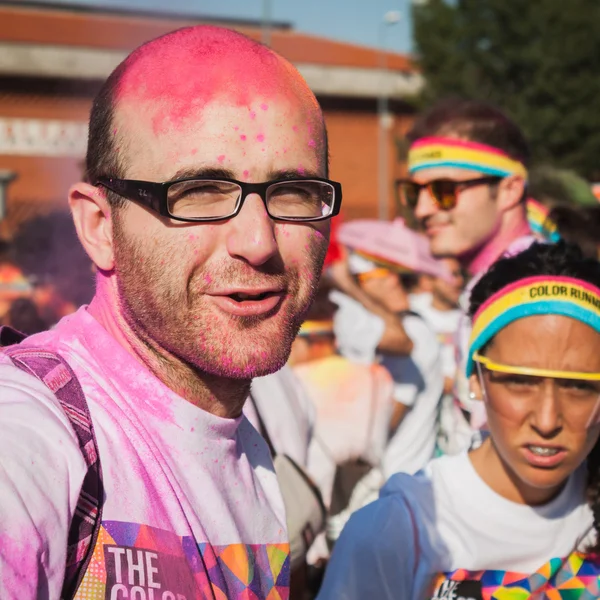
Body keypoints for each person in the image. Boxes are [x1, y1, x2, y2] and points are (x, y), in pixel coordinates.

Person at [0, 25, 341, 599]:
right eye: (201, 193)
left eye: (293, 191)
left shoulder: (246, 447)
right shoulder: (32, 438)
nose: (258, 242)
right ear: (100, 226)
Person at [318, 242, 600, 599]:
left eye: (578, 386)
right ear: (475, 380)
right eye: (519, 381)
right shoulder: (396, 531)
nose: (546, 421)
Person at [397, 98, 535, 445]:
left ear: (509, 190)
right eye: (415, 193)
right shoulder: (493, 283)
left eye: (444, 191)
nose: (423, 209)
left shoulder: (527, 292)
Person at [333, 253, 443, 478]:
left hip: (396, 480)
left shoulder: (414, 331)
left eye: (361, 280)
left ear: (390, 278)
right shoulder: (411, 325)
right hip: (396, 477)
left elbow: (388, 418)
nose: (358, 289)